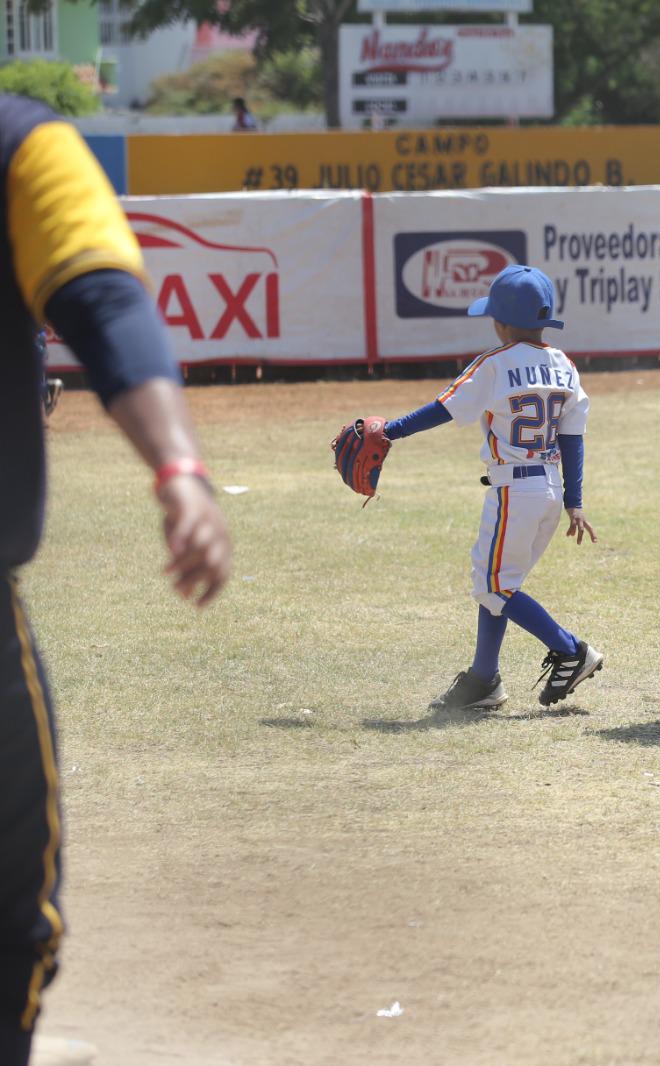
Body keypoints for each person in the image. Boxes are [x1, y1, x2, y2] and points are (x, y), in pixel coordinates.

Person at [1, 94, 232, 1066]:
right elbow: (101, 292)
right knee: (13, 914)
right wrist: (177, 468)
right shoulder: (15, 137)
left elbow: (101, 292)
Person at [372, 264, 603, 713]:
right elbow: (573, 438)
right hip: (551, 489)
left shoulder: (494, 364)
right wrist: (575, 501)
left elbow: (443, 408)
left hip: (514, 491)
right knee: (500, 583)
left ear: (501, 322)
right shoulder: (563, 364)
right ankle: (483, 679)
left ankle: (572, 650)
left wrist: (392, 432)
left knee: (495, 586)